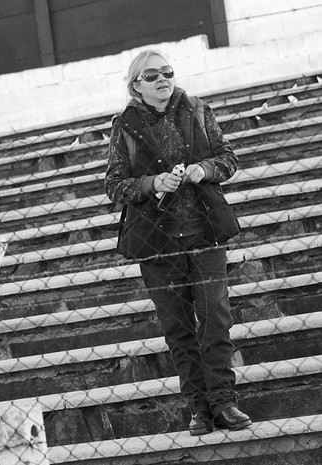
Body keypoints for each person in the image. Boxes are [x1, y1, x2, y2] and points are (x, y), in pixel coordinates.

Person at [105, 49, 251, 436]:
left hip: (204, 232)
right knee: (179, 328)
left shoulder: (197, 109)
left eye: (166, 72)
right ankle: (199, 408)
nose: (162, 79)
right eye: (151, 75)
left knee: (216, 320)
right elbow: (114, 185)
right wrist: (152, 183)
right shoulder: (125, 125)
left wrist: (204, 169)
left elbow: (228, 158)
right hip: (157, 241)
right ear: (136, 84)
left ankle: (224, 401)